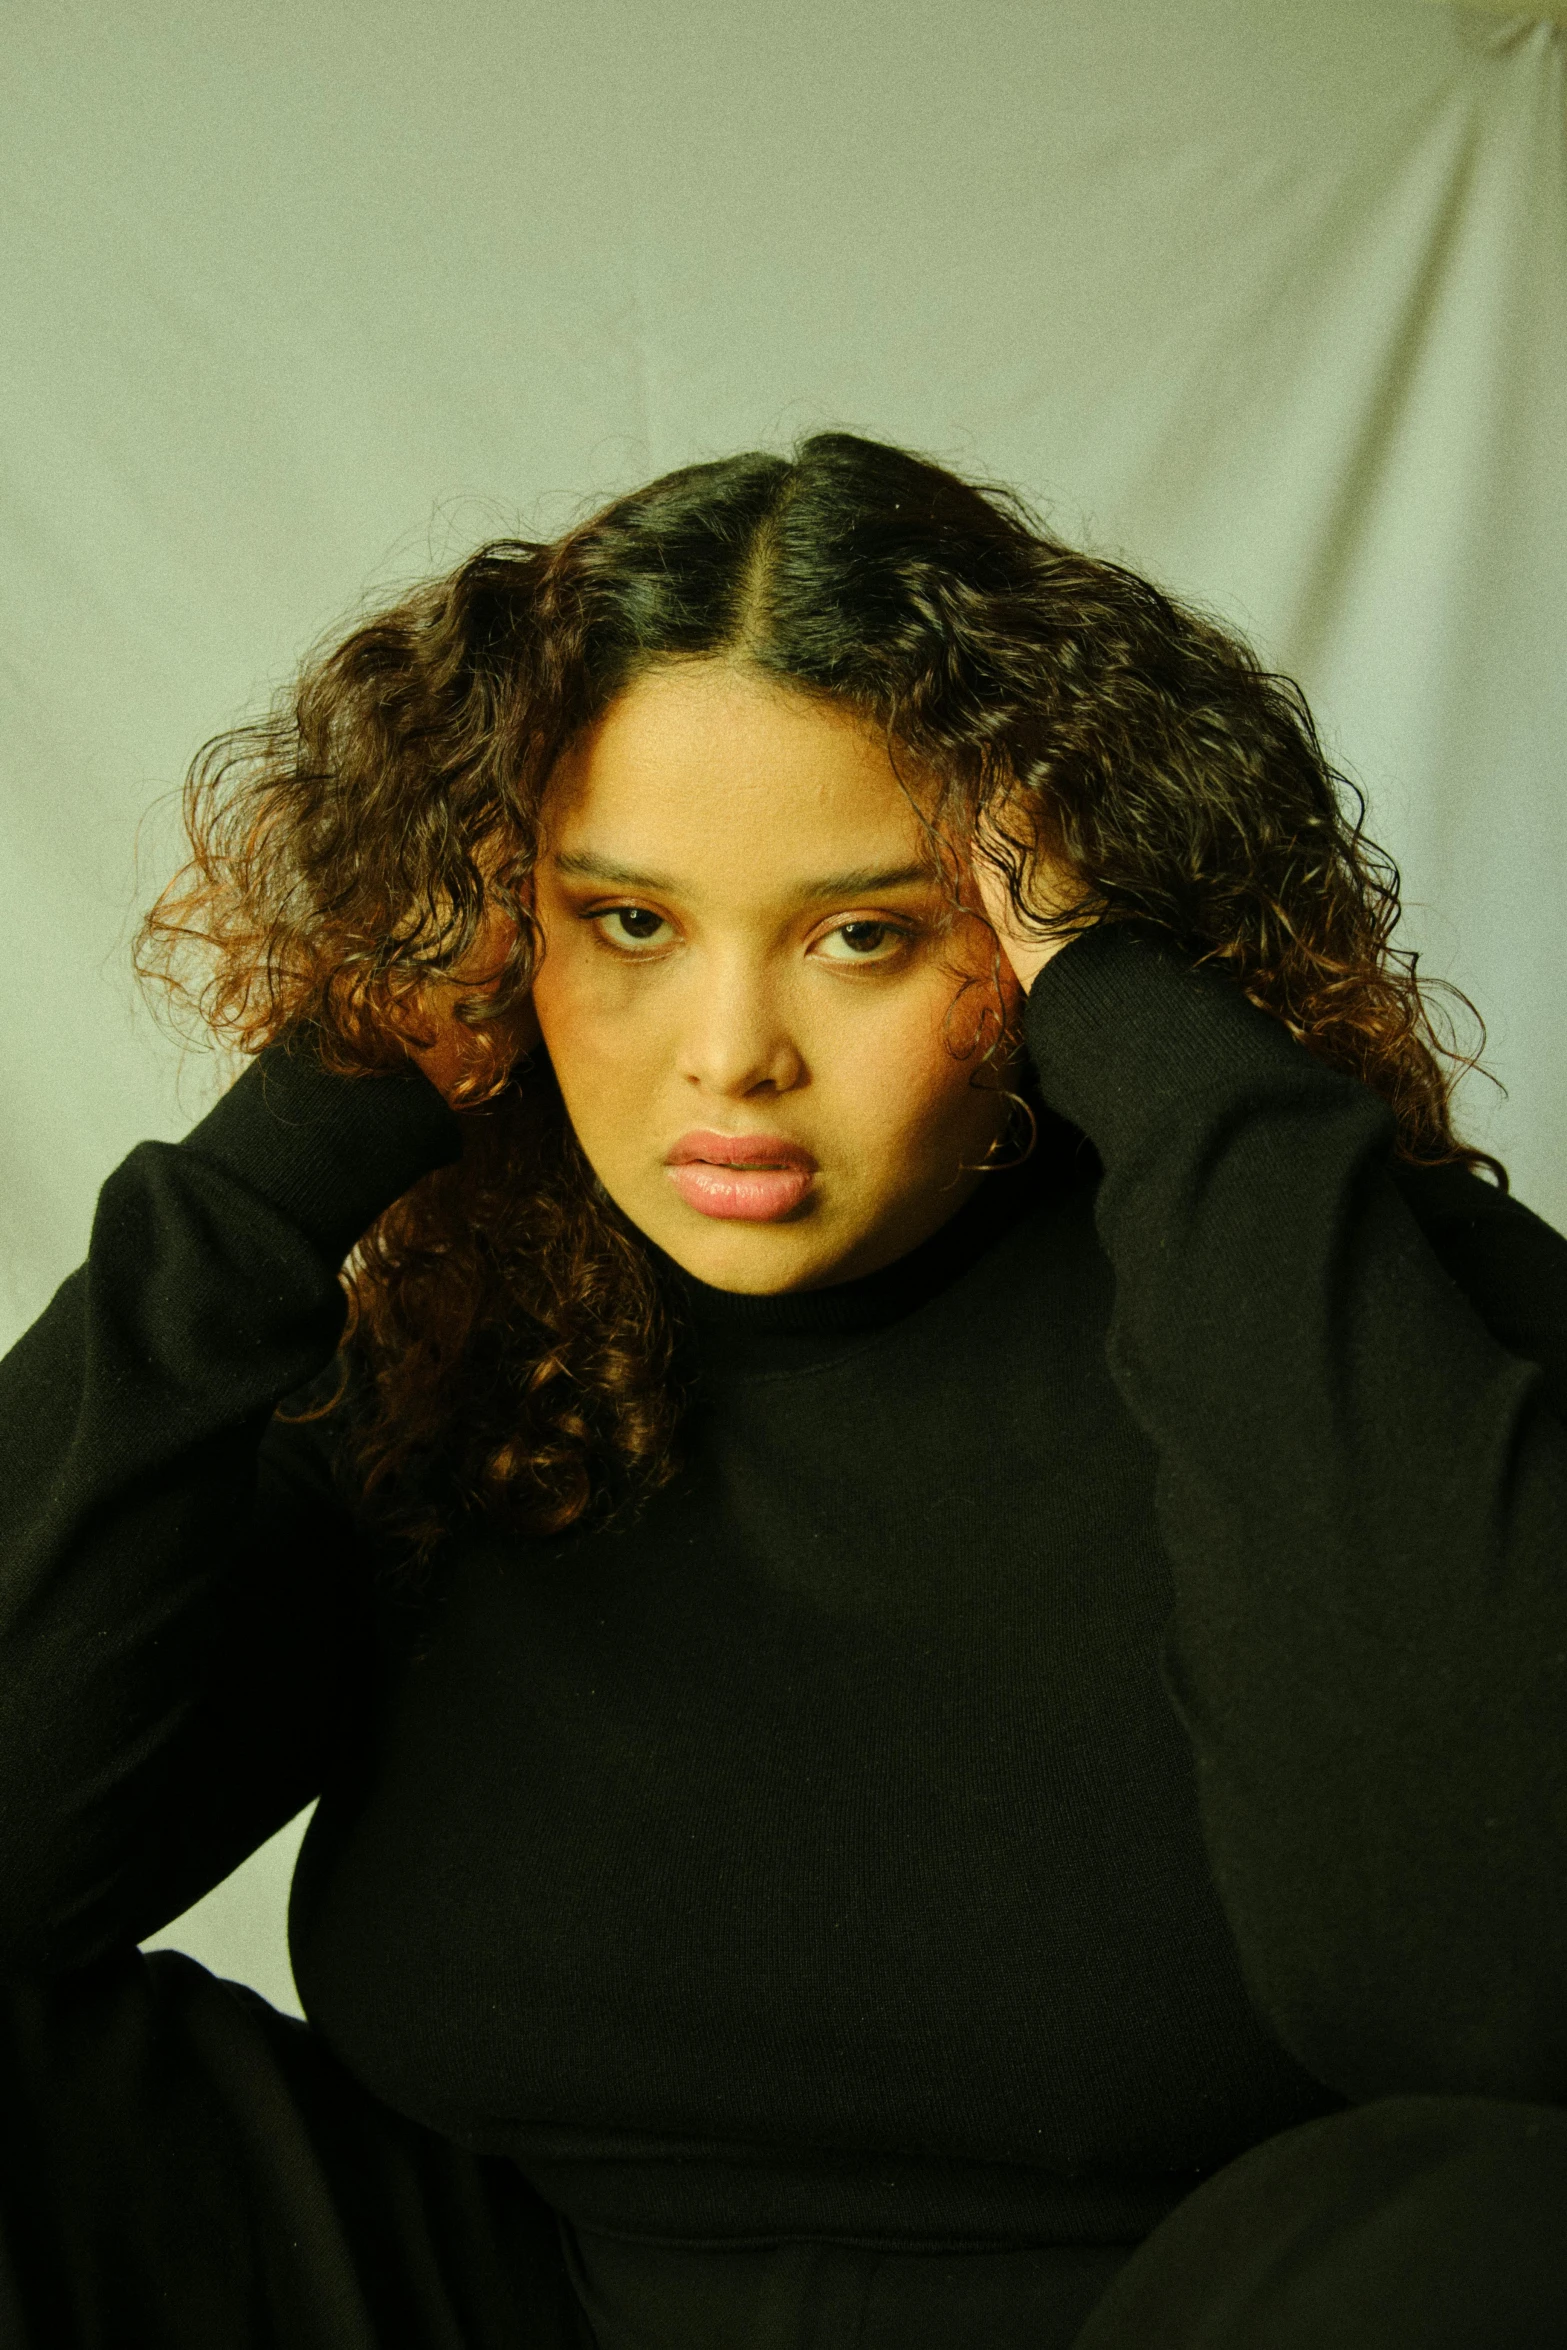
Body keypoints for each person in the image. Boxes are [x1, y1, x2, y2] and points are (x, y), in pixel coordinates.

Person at [1, 429, 1564, 2350]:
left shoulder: (1346, 1312)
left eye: (863, 933)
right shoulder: (476, 1359)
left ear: (1033, 938)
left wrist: (1162, 1047)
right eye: (630, 923)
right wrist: (308, 1128)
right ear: (512, 937)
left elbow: (1491, 2014)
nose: (728, 1056)